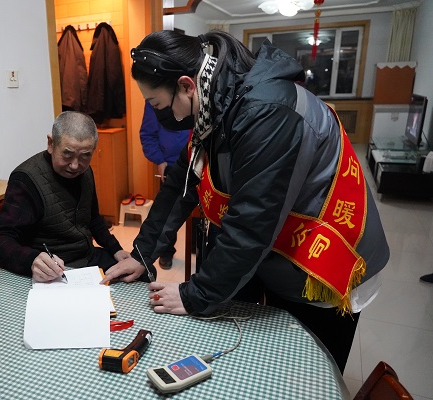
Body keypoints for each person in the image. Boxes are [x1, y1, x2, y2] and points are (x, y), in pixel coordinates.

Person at [100, 30, 389, 373]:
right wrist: (142, 254)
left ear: (186, 86)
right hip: (276, 247)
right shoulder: (214, 103)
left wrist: (195, 294)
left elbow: (251, 223)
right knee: (259, 357)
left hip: (324, 256)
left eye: (158, 105)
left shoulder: (265, 111)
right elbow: (181, 183)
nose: (170, 119)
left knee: (305, 368)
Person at [0, 111, 137, 282]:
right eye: (67, 154)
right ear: (51, 144)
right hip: (54, 269)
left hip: (86, 257)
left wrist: (115, 249)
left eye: (85, 155)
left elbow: (93, 218)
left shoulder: (85, 172)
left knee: (142, 272)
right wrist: (32, 261)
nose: (75, 165)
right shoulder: (27, 180)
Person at [139, 100, 189, 269]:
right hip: (170, 165)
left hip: (198, 160)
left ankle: (197, 248)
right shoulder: (155, 99)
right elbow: (147, 134)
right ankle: (166, 251)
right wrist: (159, 160)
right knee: (167, 212)